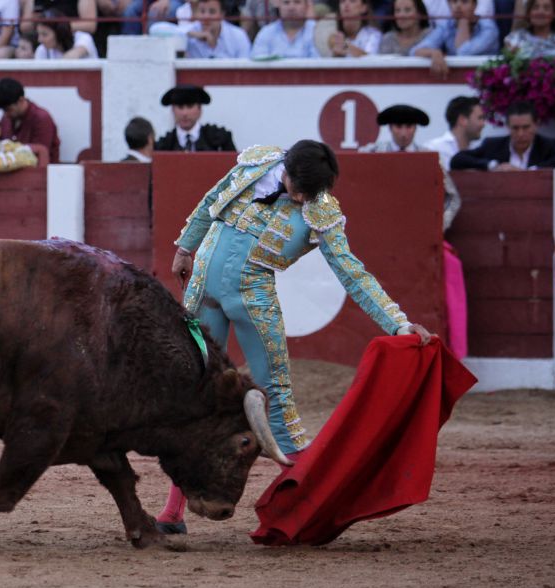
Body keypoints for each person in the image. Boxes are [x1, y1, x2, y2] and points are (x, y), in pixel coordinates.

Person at [154, 140, 432, 534]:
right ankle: (172, 513)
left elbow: (352, 272)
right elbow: (212, 198)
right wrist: (185, 247)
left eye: (310, 193)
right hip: (202, 292)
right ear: (285, 167)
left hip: (253, 301)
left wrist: (398, 323)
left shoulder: (321, 211)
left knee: (278, 403)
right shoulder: (256, 164)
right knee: (191, 396)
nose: (301, 197)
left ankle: (310, 509)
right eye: (298, 187)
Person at [360, 104, 466, 357]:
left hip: (419, 241)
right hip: (380, 240)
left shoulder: (430, 158)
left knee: (450, 269)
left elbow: (453, 198)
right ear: (390, 128)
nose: (404, 133)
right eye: (399, 126)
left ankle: (451, 351)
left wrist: (435, 227)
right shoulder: (371, 153)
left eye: (409, 127)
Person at [450, 101, 555, 171]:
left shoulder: (548, 146)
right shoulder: (493, 146)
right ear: (507, 127)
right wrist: (493, 166)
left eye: (526, 127)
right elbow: (457, 160)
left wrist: (533, 171)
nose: (520, 134)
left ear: (536, 125)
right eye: (515, 128)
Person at [411, 0, 499, 78]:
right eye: (454, 1)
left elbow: (462, 52)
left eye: (464, 1)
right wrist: (434, 53)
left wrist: (463, 22)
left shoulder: (488, 28)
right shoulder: (446, 25)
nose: (458, 6)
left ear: (474, 5)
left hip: (485, 78)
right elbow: (414, 50)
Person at [0, 76, 60, 163]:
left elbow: (40, 157)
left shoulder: (41, 119)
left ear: (21, 100)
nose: (5, 114)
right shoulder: (6, 118)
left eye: (8, 109)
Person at [154, 84, 235, 152]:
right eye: (180, 107)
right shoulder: (164, 145)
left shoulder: (220, 139)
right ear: (173, 110)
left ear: (200, 109)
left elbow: (236, 169)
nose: (184, 113)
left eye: (190, 106)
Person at [425, 95, 485, 167]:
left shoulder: (479, 150)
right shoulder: (433, 149)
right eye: (480, 118)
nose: (483, 124)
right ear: (462, 120)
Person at [250, 0, 319, 59]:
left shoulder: (317, 31)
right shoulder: (266, 33)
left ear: (306, 6)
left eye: (297, 2)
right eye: (286, 2)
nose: (291, 8)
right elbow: (257, 62)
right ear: (279, 6)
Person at [183, 0, 251, 59]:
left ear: (222, 14)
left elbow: (246, 69)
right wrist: (193, 34)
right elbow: (173, 30)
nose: (206, 17)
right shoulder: (190, 31)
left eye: (212, 12)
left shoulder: (238, 36)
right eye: (202, 11)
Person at [34, 9, 99, 58]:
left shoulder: (83, 37)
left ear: (60, 33)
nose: (39, 40)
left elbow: (74, 55)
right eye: (39, 34)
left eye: (44, 34)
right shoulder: (42, 49)